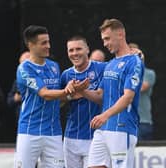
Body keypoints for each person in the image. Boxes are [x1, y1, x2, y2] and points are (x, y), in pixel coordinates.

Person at [79, 18, 144, 168]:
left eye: (107, 38)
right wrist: (82, 91)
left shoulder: (134, 61)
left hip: (122, 128)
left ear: (121, 34)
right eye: (103, 39)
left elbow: (128, 97)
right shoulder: (110, 64)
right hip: (103, 129)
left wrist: (105, 115)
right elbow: (101, 95)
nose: (105, 43)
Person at [14, 25, 76, 168]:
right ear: (31, 45)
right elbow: (45, 94)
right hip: (30, 132)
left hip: (53, 132)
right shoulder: (24, 68)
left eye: (48, 41)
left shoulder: (54, 66)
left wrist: (73, 94)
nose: (48, 46)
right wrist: (67, 91)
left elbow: (58, 98)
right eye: (43, 43)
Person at [60, 35, 107, 168]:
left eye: (78, 49)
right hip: (70, 138)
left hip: (96, 137)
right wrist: (68, 94)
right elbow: (57, 104)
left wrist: (81, 91)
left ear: (87, 49)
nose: (75, 53)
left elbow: (102, 98)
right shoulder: (66, 75)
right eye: (71, 50)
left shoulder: (103, 68)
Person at [129, 42, 156, 140]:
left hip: (143, 121)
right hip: (127, 121)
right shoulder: (123, 73)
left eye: (136, 55)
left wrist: (140, 64)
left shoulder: (149, 73)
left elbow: (141, 87)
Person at [7, 51, 30, 123]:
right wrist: (15, 98)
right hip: (22, 120)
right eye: (22, 65)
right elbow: (9, 101)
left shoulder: (42, 78)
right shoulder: (17, 81)